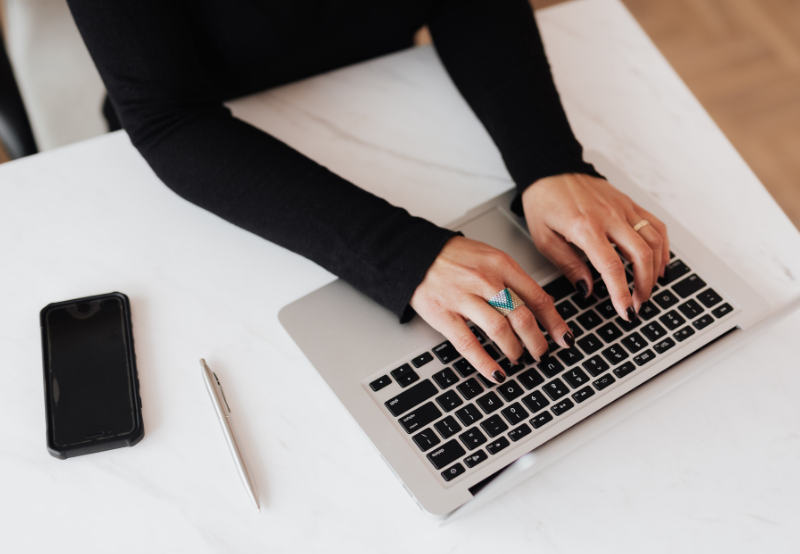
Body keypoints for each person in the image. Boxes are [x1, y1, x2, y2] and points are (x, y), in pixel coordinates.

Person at [67, 0, 669, 385]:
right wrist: (408, 256)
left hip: (386, 86)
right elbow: (168, 119)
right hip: (216, 160)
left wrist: (549, 163)